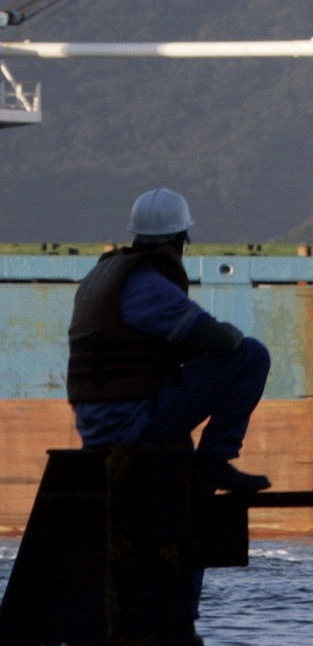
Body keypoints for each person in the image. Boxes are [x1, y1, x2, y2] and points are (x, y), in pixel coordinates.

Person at [67, 187, 272, 491]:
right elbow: (223, 342)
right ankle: (213, 462)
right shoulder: (148, 286)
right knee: (251, 354)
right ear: (179, 240)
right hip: (133, 425)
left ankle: (190, 471)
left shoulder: (105, 274)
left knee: (176, 398)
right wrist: (230, 333)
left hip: (96, 427)